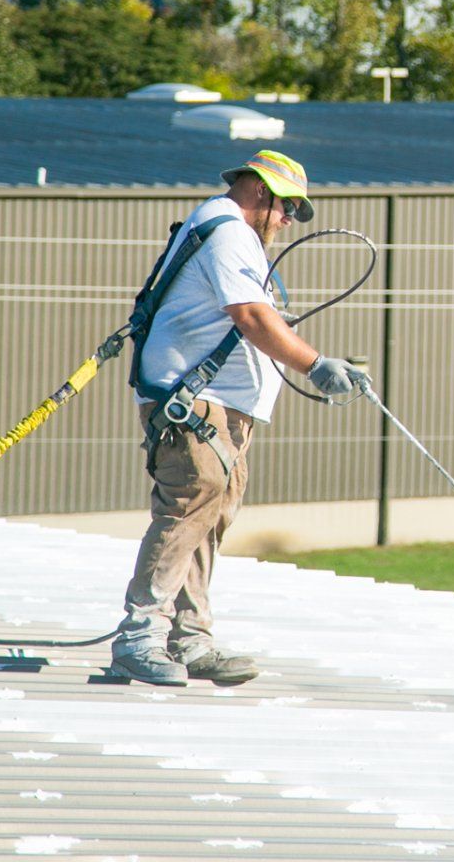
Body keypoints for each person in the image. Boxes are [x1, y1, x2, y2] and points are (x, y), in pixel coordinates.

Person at [112, 149, 365, 686]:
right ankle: (139, 637)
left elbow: (259, 315)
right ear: (259, 191)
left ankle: (190, 640)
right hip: (192, 406)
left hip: (221, 409)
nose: (288, 220)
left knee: (209, 515)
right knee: (187, 509)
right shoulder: (226, 231)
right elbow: (251, 317)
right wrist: (316, 366)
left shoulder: (234, 236)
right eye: (286, 208)